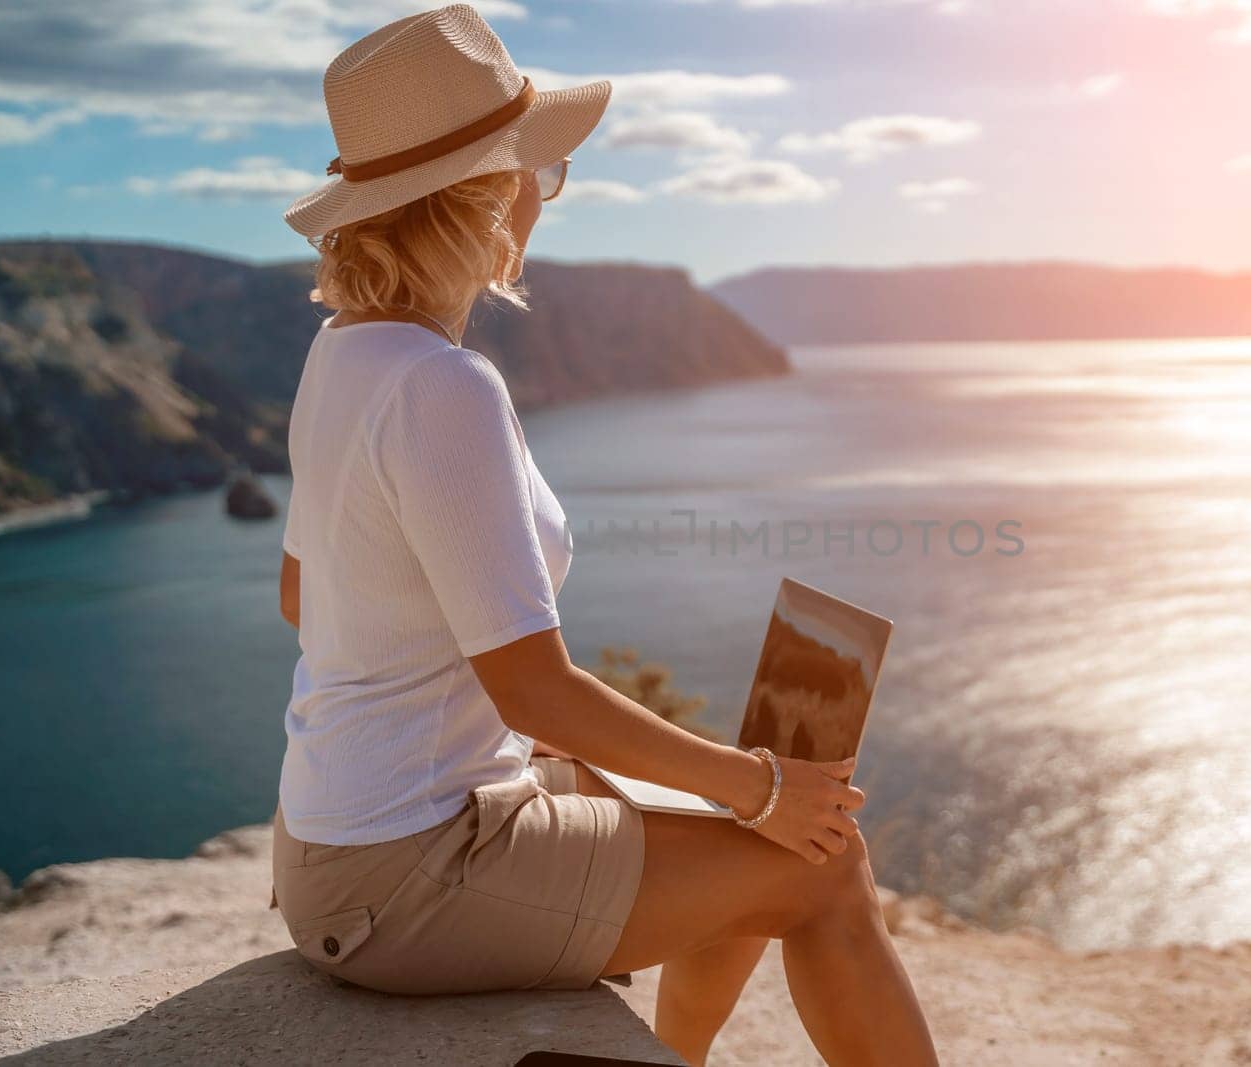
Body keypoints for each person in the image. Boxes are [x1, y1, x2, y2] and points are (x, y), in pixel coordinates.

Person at [271, 6, 938, 1065]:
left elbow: (306, 597)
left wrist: (488, 738)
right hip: (408, 873)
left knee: (739, 838)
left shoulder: (342, 350)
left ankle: (670, 1059)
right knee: (819, 863)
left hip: (341, 838)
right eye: (538, 169)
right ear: (489, 195)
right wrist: (757, 784)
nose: (543, 192)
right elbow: (533, 687)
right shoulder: (442, 386)